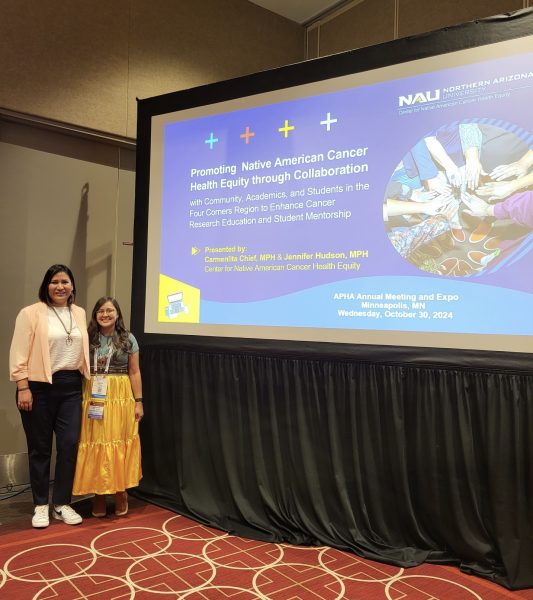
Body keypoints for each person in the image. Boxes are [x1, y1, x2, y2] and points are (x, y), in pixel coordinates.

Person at [9, 264, 90, 528]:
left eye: (65, 282)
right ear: (46, 286)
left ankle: (62, 503)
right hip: (38, 387)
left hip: (70, 387)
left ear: (72, 287)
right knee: (40, 449)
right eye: (54, 282)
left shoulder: (78, 313)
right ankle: (41, 504)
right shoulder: (30, 313)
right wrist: (23, 386)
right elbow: (19, 352)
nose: (60, 287)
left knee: (68, 446)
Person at [72, 296, 143, 517]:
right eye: (101, 311)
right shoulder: (88, 337)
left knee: (118, 443)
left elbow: (134, 372)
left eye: (110, 311)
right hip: (93, 394)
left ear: (118, 314)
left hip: (120, 396)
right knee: (96, 443)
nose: (105, 314)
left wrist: (138, 401)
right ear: (95, 315)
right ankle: (99, 495)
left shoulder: (127, 338)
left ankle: (120, 492)